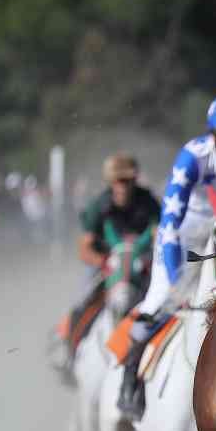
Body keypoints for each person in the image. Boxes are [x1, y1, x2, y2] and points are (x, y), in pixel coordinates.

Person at [118, 92, 216, 420]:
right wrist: (175, 280)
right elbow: (169, 222)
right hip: (188, 234)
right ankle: (128, 383)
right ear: (214, 137)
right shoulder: (193, 156)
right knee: (159, 299)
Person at [61, 155, 160, 374]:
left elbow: (159, 235)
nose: (123, 186)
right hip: (105, 263)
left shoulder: (149, 203)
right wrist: (105, 262)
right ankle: (69, 351)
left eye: (127, 181)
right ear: (110, 182)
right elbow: (84, 248)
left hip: (141, 262)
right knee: (83, 300)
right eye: (118, 181)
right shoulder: (99, 207)